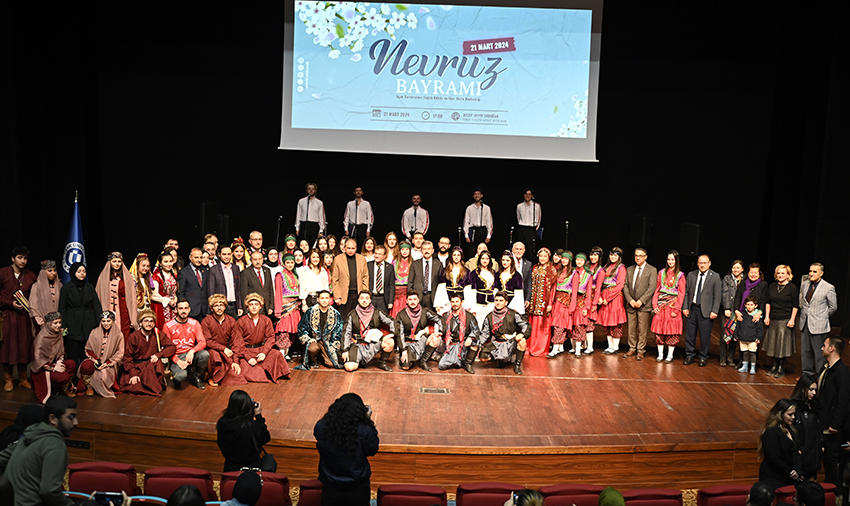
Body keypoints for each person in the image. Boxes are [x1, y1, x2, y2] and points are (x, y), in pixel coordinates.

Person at [0, 395, 78, 506]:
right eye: (71, 417)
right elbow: (50, 491)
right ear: (53, 419)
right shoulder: (55, 445)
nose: (76, 422)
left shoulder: (31, 434)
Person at [314, 393, 378, 506]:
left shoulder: (321, 427)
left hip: (331, 486)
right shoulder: (365, 430)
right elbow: (372, 450)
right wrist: (368, 421)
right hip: (358, 487)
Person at [814, 336, 850, 493]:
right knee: (824, 461)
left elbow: (843, 400)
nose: (822, 347)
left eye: (825, 345)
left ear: (832, 348)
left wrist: (835, 423)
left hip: (832, 428)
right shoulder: (826, 369)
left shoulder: (841, 372)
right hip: (822, 422)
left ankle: (836, 496)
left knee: (831, 463)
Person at [0, 246, 37, 392]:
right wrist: (10, 303)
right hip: (7, 316)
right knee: (7, 348)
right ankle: (8, 379)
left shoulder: (31, 276)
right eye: (20, 258)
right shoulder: (2, 273)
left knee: (23, 346)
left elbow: (36, 295)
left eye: (25, 258)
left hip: (23, 317)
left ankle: (22, 379)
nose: (23, 261)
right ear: (13, 258)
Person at [232, 293, 290, 383]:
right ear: (247, 307)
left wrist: (264, 353)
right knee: (246, 370)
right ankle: (263, 372)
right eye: (251, 305)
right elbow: (238, 342)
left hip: (260, 350)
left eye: (256, 304)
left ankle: (267, 371)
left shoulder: (266, 320)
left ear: (260, 307)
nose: (254, 307)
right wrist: (248, 357)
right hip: (246, 351)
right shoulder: (241, 321)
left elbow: (271, 338)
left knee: (276, 354)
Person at [120, 309, 176, 396]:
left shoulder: (158, 334)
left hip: (150, 367)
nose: (149, 324)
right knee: (134, 386)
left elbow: (172, 347)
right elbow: (127, 358)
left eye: (151, 321)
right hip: (136, 366)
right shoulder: (133, 336)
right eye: (146, 321)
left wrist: (159, 355)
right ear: (140, 323)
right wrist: (133, 373)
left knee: (155, 372)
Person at [57, 262, 101, 368]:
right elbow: (62, 308)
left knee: (87, 353)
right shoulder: (67, 288)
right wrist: (63, 325)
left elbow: (96, 306)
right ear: (73, 272)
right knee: (73, 353)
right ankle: (74, 376)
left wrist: (98, 322)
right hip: (72, 323)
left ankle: (86, 376)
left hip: (88, 323)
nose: (82, 273)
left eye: (84, 271)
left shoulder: (89, 287)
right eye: (79, 271)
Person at [682, 254, 722, 367]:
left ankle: (703, 356)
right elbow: (686, 293)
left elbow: (717, 296)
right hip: (692, 308)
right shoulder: (691, 275)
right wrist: (685, 307)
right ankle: (689, 355)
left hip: (706, 311)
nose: (702, 265)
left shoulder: (715, 276)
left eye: (705, 263)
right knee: (690, 335)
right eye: (700, 263)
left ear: (709, 263)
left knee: (705, 336)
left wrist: (715, 310)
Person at [216, 390, 270, 472]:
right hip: (252, 468)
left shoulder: (222, 423)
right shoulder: (252, 426)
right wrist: (258, 416)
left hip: (230, 467)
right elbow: (265, 438)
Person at [799, 263, 838, 376]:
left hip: (819, 324)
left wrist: (822, 317)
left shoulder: (828, 287)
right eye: (810, 271)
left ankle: (820, 376)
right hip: (805, 322)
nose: (811, 274)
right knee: (805, 351)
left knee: (819, 353)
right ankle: (807, 375)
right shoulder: (805, 284)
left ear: (821, 273)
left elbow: (833, 307)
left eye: (814, 272)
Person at [479, 291, 531, 374]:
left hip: (511, 342)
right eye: (496, 300)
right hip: (497, 343)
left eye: (501, 300)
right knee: (482, 358)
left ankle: (517, 365)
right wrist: (478, 345)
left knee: (522, 341)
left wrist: (522, 334)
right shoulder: (489, 316)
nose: (498, 303)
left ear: (506, 302)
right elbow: (485, 333)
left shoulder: (513, 314)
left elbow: (526, 325)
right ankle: (499, 360)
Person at [342, 291, 395, 372]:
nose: (364, 300)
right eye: (362, 298)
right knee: (349, 367)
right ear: (358, 300)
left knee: (390, 342)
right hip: (357, 344)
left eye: (367, 298)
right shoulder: (352, 314)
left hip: (372, 343)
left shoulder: (377, 312)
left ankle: (382, 362)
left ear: (370, 300)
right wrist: (345, 350)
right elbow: (346, 333)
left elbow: (392, 321)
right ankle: (358, 359)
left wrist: (392, 333)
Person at [31, 312, 77, 402]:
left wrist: (59, 362)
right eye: (55, 323)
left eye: (60, 322)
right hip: (43, 369)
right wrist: (54, 368)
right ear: (49, 324)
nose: (58, 325)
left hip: (55, 363)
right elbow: (39, 359)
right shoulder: (42, 338)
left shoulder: (58, 334)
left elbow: (61, 351)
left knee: (71, 364)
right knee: (64, 377)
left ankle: (62, 389)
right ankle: (54, 389)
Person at [77, 311, 124, 398]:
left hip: (108, 362)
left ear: (113, 321)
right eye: (103, 321)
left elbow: (120, 352)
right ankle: (89, 386)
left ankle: (96, 388)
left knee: (102, 376)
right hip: (95, 360)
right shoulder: (94, 332)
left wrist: (107, 363)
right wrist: (95, 360)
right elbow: (88, 348)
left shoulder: (119, 335)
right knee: (86, 366)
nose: (106, 323)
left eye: (108, 321)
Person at [758, 398, 802, 491]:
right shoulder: (771, 432)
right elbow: (773, 457)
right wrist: (790, 471)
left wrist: (797, 469)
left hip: (788, 477)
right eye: (790, 414)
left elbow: (797, 452)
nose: (793, 417)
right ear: (780, 414)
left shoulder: (792, 430)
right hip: (774, 478)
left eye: (794, 414)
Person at [164, 300, 209, 390]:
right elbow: (166, 348)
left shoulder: (195, 323)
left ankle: (196, 376)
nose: (183, 311)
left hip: (190, 355)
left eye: (186, 308)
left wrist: (192, 351)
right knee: (180, 377)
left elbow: (202, 342)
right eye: (180, 308)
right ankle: (177, 378)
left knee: (205, 354)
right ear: (176, 310)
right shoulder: (168, 326)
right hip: (177, 356)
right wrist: (177, 361)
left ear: (189, 309)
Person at [764, 265, 799, 378]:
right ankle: (774, 365)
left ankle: (781, 367)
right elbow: (768, 302)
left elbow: (795, 305)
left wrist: (792, 319)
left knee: (782, 344)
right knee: (774, 343)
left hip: (785, 318)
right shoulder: (772, 286)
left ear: (788, 275)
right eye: (778, 273)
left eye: (783, 273)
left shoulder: (792, 288)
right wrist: (767, 316)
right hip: (773, 318)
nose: (780, 275)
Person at [651, 251, 686, 363]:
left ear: (676, 261)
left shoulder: (680, 275)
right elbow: (657, 290)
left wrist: (677, 309)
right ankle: (660, 354)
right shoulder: (661, 273)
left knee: (672, 332)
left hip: (672, 307)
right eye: (668, 259)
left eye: (672, 260)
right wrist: (654, 305)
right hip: (661, 307)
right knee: (659, 331)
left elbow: (681, 293)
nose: (670, 262)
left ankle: (670, 355)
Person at [394, 291, 443, 371]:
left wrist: (441, 331)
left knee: (435, 339)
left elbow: (439, 319)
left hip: (421, 340)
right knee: (405, 367)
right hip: (408, 343)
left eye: (414, 299)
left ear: (418, 300)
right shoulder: (401, 315)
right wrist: (403, 350)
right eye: (410, 299)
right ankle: (412, 359)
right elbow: (400, 334)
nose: (412, 302)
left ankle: (423, 361)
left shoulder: (425, 312)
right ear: (406, 301)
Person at [622, 248, 657, 361]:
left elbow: (651, 287)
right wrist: (630, 300)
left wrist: (641, 301)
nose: (638, 258)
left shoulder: (652, 270)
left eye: (641, 256)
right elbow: (625, 286)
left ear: (645, 257)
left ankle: (640, 350)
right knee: (631, 328)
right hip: (631, 304)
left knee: (642, 329)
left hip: (644, 305)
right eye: (636, 255)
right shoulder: (629, 269)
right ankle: (632, 348)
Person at [202, 294, 243, 386]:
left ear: (225, 307)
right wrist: (223, 349)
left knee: (236, 373)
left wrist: (235, 360)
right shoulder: (206, 321)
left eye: (221, 305)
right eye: (216, 306)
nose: (219, 308)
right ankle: (212, 377)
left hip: (226, 350)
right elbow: (207, 341)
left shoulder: (231, 320)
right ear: (211, 308)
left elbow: (236, 341)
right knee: (214, 355)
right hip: (212, 349)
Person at [296, 290, 344, 370]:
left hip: (327, 343)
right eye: (322, 298)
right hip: (314, 341)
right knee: (313, 349)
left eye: (326, 298)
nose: (324, 300)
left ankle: (321, 357)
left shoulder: (336, 314)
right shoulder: (310, 311)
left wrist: (334, 345)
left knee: (331, 364)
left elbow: (339, 332)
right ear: (318, 299)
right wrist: (308, 339)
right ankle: (313, 360)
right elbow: (301, 327)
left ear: (330, 300)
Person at [96, 252, 139, 339]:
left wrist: (133, 317)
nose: (117, 264)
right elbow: (98, 296)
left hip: (123, 313)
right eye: (114, 261)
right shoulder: (103, 277)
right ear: (110, 262)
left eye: (119, 261)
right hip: (107, 311)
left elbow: (132, 299)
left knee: (124, 335)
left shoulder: (127, 278)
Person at [526, 248, 557, 357]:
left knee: (542, 326)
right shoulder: (534, 268)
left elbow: (553, 289)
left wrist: (550, 304)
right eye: (541, 256)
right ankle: (530, 347)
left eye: (545, 256)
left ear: (548, 257)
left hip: (544, 302)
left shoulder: (551, 270)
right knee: (532, 325)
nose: (542, 258)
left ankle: (540, 348)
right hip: (533, 302)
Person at [596, 247, 627, 355]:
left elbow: (619, 285)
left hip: (615, 298)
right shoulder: (606, 267)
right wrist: (600, 296)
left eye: (615, 255)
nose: (613, 257)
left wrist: (608, 299)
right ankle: (610, 346)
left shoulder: (621, 268)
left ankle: (615, 347)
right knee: (606, 323)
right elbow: (600, 283)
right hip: (604, 296)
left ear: (619, 257)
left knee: (615, 323)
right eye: (611, 255)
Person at [789, 374, 820, 481]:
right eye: (811, 389)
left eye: (815, 390)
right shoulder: (794, 407)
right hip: (800, 460)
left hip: (812, 459)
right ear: (802, 389)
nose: (814, 393)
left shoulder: (815, 407)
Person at [439, 294, 479, 374]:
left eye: (457, 301)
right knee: (441, 365)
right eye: (453, 302)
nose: (455, 304)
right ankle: (458, 361)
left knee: (476, 342)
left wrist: (470, 337)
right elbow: (442, 330)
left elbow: (476, 330)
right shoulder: (445, 316)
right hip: (452, 344)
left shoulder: (469, 316)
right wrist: (446, 336)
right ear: (450, 303)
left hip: (464, 344)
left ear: (461, 302)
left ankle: (468, 364)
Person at [332, 239, 369, 320]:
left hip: (358, 294)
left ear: (356, 248)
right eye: (348, 248)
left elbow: (365, 277)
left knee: (358, 320)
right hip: (344, 296)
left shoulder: (362, 259)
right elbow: (335, 279)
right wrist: (337, 296)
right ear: (344, 248)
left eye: (353, 248)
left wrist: (365, 294)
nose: (350, 250)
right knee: (344, 320)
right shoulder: (338, 259)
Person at [566, 253, 594, 359]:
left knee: (579, 326)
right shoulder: (571, 272)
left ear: (585, 262)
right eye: (577, 260)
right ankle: (573, 347)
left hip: (581, 302)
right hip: (569, 301)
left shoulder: (588, 275)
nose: (579, 262)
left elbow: (589, 292)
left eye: (581, 260)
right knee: (570, 325)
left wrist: (586, 307)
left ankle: (578, 349)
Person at [273, 254, 301, 359]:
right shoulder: (280, 275)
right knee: (283, 331)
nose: (290, 265)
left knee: (292, 332)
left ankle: (286, 353)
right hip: (285, 308)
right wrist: (278, 311)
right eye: (287, 262)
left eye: (292, 262)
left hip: (295, 308)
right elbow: (278, 293)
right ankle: (281, 354)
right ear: (284, 264)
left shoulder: (296, 275)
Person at [548, 251, 574, 357]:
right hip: (557, 302)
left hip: (565, 302)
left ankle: (555, 348)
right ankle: (559, 347)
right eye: (562, 258)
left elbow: (574, 291)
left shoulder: (573, 273)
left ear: (570, 260)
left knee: (560, 325)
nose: (564, 260)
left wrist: (572, 306)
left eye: (566, 259)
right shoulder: (558, 271)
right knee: (557, 325)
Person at [719, 260, 745, 367]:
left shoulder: (745, 280)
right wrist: (727, 308)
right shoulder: (727, 279)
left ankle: (730, 357)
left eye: (738, 268)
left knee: (734, 334)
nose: (736, 270)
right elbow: (724, 294)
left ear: (742, 269)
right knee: (724, 334)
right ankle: (722, 358)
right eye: (734, 267)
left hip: (738, 312)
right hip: (727, 311)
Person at [209, 245, 243, 319]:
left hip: (234, 305)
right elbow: (211, 290)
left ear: (232, 254)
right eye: (224, 254)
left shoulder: (236, 268)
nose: (226, 257)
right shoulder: (214, 270)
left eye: (228, 254)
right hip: (220, 306)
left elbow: (238, 289)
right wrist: (213, 307)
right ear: (219, 255)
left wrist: (239, 306)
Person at [177, 248, 211, 321]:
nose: (199, 260)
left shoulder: (205, 271)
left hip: (204, 310)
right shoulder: (184, 272)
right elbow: (181, 293)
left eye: (201, 257)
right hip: (191, 310)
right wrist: (184, 309)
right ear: (190, 257)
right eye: (196, 257)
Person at [29, 260, 62, 332]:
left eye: (54, 270)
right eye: (50, 271)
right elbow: (33, 306)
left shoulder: (60, 286)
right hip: (42, 325)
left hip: (58, 325)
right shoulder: (37, 286)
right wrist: (41, 323)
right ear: (43, 272)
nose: (53, 273)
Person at [433, 247, 468, 314]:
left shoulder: (466, 272)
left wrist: (468, 305)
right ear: (451, 256)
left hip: (461, 302)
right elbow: (441, 288)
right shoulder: (445, 271)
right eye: (454, 255)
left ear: (461, 257)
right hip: (447, 301)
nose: (456, 257)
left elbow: (468, 290)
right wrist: (438, 304)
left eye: (458, 255)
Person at [735, 296, 765, 374]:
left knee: (752, 353)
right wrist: (736, 335)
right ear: (745, 305)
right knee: (744, 352)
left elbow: (760, 329)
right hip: (743, 338)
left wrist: (759, 337)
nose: (749, 306)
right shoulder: (742, 314)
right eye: (748, 304)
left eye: (751, 305)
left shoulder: (757, 317)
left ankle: (752, 367)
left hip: (752, 339)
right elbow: (738, 326)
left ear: (756, 305)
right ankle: (745, 366)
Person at [408, 240, 441, 311]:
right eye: (424, 249)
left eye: (429, 249)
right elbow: (410, 282)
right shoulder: (415, 264)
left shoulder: (438, 264)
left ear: (432, 251)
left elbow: (440, 283)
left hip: (433, 297)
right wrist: (411, 298)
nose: (426, 251)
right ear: (421, 251)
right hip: (418, 297)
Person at [151, 251, 179, 330]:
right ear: (160, 263)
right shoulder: (156, 277)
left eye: (170, 261)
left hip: (173, 307)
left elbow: (174, 292)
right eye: (166, 262)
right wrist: (167, 301)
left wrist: (175, 299)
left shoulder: (174, 275)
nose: (169, 264)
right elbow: (153, 295)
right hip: (161, 307)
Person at [241, 251, 274, 316]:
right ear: (251, 260)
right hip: (253, 309)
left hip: (267, 308)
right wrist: (246, 310)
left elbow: (270, 290)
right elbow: (244, 293)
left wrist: (271, 307)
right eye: (255, 259)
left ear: (263, 259)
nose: (258, 261)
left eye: (259, 259)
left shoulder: (267, 270)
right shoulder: (245, 272)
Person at [463, 188, 493, 259]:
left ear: (481, 195)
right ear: (473, 196)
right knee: (472, 251)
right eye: (475, 194)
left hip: (482, 230)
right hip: (473, 230)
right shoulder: (469, 208)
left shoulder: (486, 208)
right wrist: (466, 235)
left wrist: (489, 236)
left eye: (478, 194)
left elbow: (489, 222)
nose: (477, 196)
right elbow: (466, 222)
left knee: (483, 251)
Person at [295, 183, 326, 247]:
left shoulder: (319, 202)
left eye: (313, 189)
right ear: (306, 190)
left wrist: (321, 230)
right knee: (303, 243)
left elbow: (321, 216)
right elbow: (298, 215)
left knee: (313, 243)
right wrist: (297, 228)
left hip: (314, 225)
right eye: (309, 189)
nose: (311, 190)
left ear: (315, 190)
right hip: (304, 224)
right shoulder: (301, 201)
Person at [515, 188, 541, 262]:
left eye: (529, 194)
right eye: (526, 194)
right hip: (522, 228)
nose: (527, 196)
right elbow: (518, 217)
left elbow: (538, 218)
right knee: (521, 248)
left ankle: (531, 264)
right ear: (524, 195)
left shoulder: (536, 206)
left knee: (530, 249)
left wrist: (535, 229)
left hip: (531, 229)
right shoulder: (519, 206)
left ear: (532, 196)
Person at [367, 245, 395, 314]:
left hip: (383, 299)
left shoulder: (390, 267)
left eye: (379, 254)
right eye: (375, 253)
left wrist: (390, 301)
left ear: (384, 255)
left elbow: (391, 285)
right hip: (371, 297)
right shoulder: (368, 265)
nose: (377, 256)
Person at [390, 242, 413, 318]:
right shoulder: (394, 262)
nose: (405, 251)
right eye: (402, 249)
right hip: (396, 294)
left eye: (407, 249)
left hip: (408, 292)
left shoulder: (414, 263)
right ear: (399, 251)